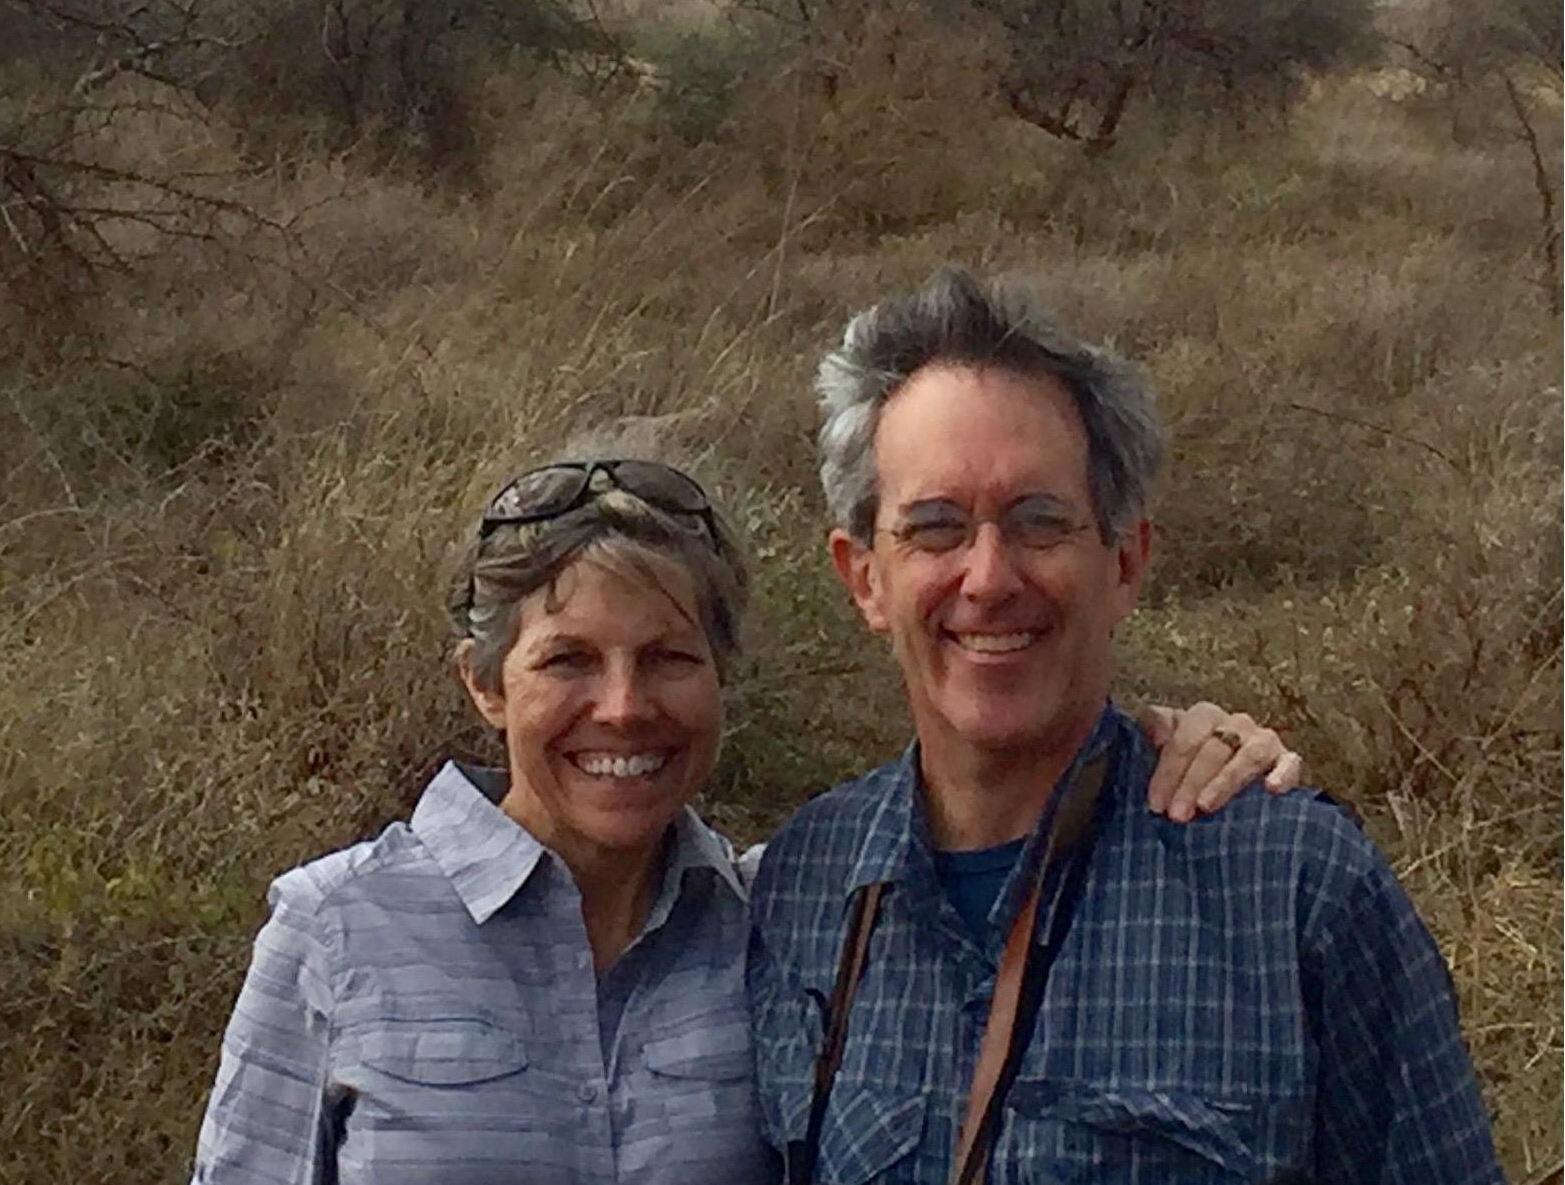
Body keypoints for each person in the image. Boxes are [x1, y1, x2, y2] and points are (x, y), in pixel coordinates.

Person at [192, 458, 1300, 1184]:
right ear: (486, 686)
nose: (623, 706)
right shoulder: (336, 928)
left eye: (670, 659)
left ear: (722, 679)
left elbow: (1000, 823)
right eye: (568, 661)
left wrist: (1170, 740)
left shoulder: (787, 918)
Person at [747, 267, 1504, 1184]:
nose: (988, 579)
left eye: (1040, 522)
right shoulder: (799, 887)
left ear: (1127, 561)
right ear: (864, 576)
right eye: (936, 528)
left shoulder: (1293, 889)